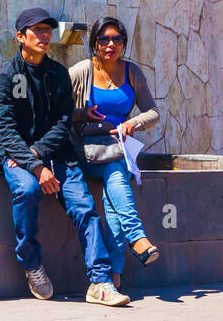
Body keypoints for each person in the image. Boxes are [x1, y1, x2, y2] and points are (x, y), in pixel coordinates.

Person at [0, 7, 129, 307]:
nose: (43, 35)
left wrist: (38, 154)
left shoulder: (57, 74)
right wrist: (34, 165)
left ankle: (100, 282)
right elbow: (4, 129)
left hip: (54, 156)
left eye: (47, 30)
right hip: (17, 156)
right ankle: (30, 263)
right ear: (20, 36)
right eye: (36, 30)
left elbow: (63, 123)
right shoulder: (5, 76)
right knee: (26, 190)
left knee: (85, 208)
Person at [69, 16, 162, 292]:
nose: (110, 44)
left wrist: (133, 123)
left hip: (118, 149)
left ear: (123, 42)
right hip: (85, 152)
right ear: (94, 43)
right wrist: (82, 113)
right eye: (104, 39)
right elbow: (59, 113)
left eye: (117, 39)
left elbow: (154, 112)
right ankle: (137, 239)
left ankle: (113, 275)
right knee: (117, 175)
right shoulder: (80, 71)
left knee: (113, 192)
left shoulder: (132, 72)